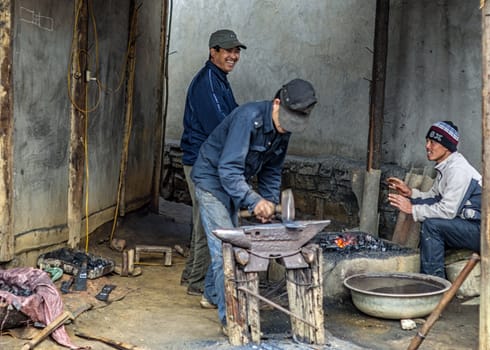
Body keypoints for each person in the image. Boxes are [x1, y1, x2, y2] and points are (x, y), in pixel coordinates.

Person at [191, 78, 317, 332]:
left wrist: (268, 204)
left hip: (234, 182)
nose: (287, 127)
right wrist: (253, 200)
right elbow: (228, 169)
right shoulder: (247, 118)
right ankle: (233, 321)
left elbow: (272, 170)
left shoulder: (283, 131)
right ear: (277, 103)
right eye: (286, 119)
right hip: (212, 179)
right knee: (227, 249)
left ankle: (211, 295)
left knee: (229, 241)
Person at [179, 29, 246, 296]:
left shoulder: (219, 79)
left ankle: (192, 277)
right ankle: (198, 283)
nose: (234, 56)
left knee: (202, 221)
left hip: (205, 160)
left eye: (237, 51)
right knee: (209, 222)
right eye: (228, 51)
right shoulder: (208, 82)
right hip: (200, 162)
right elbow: (220, 126)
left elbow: (234, 117)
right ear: (213, 52)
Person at [387, 121, 481, 279]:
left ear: (446, 146)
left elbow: (447, 211)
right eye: (427, 141)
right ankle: (434, 277)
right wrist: (410, 193)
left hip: (483, 231)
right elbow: (434, 198)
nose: (427, 146)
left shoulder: (458, 170)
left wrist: (412, 209)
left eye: (433, 142)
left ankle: (434, 282)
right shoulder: (446, 167)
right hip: (470, 226)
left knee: (432, 225)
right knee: (429, 219)